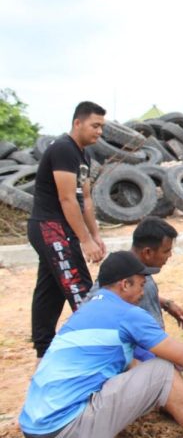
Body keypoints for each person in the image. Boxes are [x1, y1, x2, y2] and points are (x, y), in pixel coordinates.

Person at [19, 251, 183, 438]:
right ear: (125, 284)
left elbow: (132, 364)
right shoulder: (127, 315)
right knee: (164, 370)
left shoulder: (86, 311)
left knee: (142, 367)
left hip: (36, 425)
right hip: (66, 428)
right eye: (142, 286)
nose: (144, 293)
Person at [27, 101, 107, 359]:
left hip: (61, 229)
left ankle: (44, 351)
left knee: (50, 289)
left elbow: (86, 199)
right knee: (78, 286)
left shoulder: (85, 154)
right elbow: (67, 199)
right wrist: (84, 241)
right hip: (50, 227)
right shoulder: (63, 149)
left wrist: (95, 235)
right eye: (95, 126)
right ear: (77, 123)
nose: (99, 132)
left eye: (102, 127)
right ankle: (97, 347)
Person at [86, 217, 183, 331]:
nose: (169, 255)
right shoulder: (140, 281)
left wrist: (165, 304)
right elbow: (153, 339)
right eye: (166, 251)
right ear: (147, 252)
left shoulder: (117, 269)